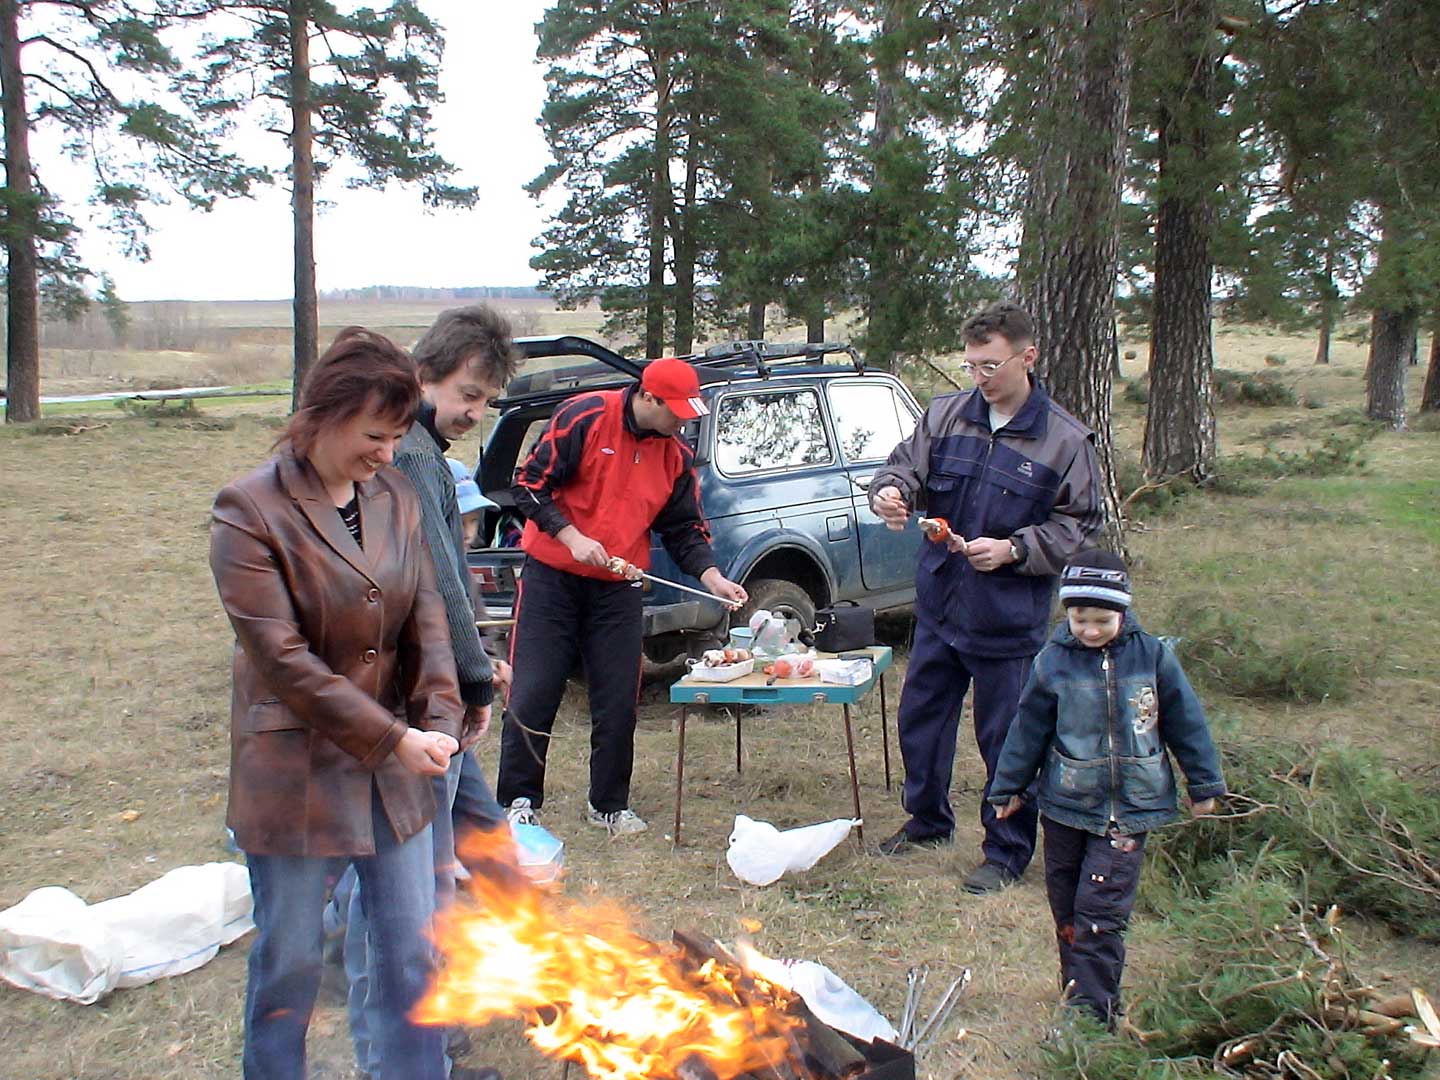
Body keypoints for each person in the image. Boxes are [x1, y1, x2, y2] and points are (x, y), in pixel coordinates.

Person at [210, 327, 460, 1080]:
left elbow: (426, 618)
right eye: (375, 435)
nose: (387, 452)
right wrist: (392, 739)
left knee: (413, 956)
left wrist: (441, 717)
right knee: (289, 963)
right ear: (323, 415)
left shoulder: (397, 497)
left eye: (397, 437)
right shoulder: (248, 511)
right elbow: (283, 661)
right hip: (294, 773)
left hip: (396, 775)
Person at [338, 305, 519, 1080]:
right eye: (467, 393)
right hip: (414, 703)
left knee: (445, 865)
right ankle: (398, 1059)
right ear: (423, 374)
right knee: (394, 895)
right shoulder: (410, 455)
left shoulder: (422, 449)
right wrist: (476, 673)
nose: (475, 412)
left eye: (486, 400)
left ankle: (433, 1042)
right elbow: (439, 575)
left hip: (429, 698)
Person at [870, 301, 1103, 893]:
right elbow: (904, 469)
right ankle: (927, 821)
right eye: (971, 364)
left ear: (1029, 357)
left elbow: (1077, 525)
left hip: (1007, 618)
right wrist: (892, 494)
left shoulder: (1065, 440)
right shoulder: (945, 416)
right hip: (940, 608)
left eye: (991, 365)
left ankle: (1005, 852)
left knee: (1008, 742)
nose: (979, 377)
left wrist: (1015, 550)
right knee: (920, 720)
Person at [495, 357, 748, 835]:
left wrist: (711, 577)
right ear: (647, 397)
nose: (682, 421)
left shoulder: (673, 454)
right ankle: (519, 800)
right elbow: (527, 487)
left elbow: (683, 528)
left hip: (618, 588)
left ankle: (609, 805)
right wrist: (569, 536)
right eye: (675, 410)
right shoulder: (584, 416)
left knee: (617, 699)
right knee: (534, 691)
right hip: (553, 577)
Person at [987, 550, 1226, 1025]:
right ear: (1066, 613)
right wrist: (1008, 787)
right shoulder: (1052, 662)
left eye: (1102, 620)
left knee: (1101, 909)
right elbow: (1027, 729)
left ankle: (1093, 1016)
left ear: (1124, 612)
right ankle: (1078, 989)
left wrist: (1203, 784)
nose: (1091, 630)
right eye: (1080, 619)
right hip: (1065, 804)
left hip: (1129, 808)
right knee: (1068, 906)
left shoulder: (1153, 656)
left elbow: (1186, 723)